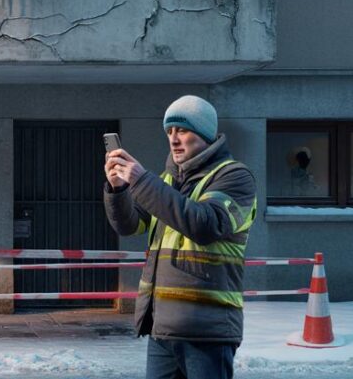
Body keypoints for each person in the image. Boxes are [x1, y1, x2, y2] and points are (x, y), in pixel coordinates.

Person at [103, 95, 257, 379]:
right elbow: (130, 226)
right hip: (163, 327)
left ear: (205, 134)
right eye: (169, 132)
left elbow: (204, 224)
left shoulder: (235, 177)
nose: (174, 139)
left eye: (183, 130)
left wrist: (140, 180)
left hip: (207, 329)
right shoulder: (166, 182)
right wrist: (119, 190)